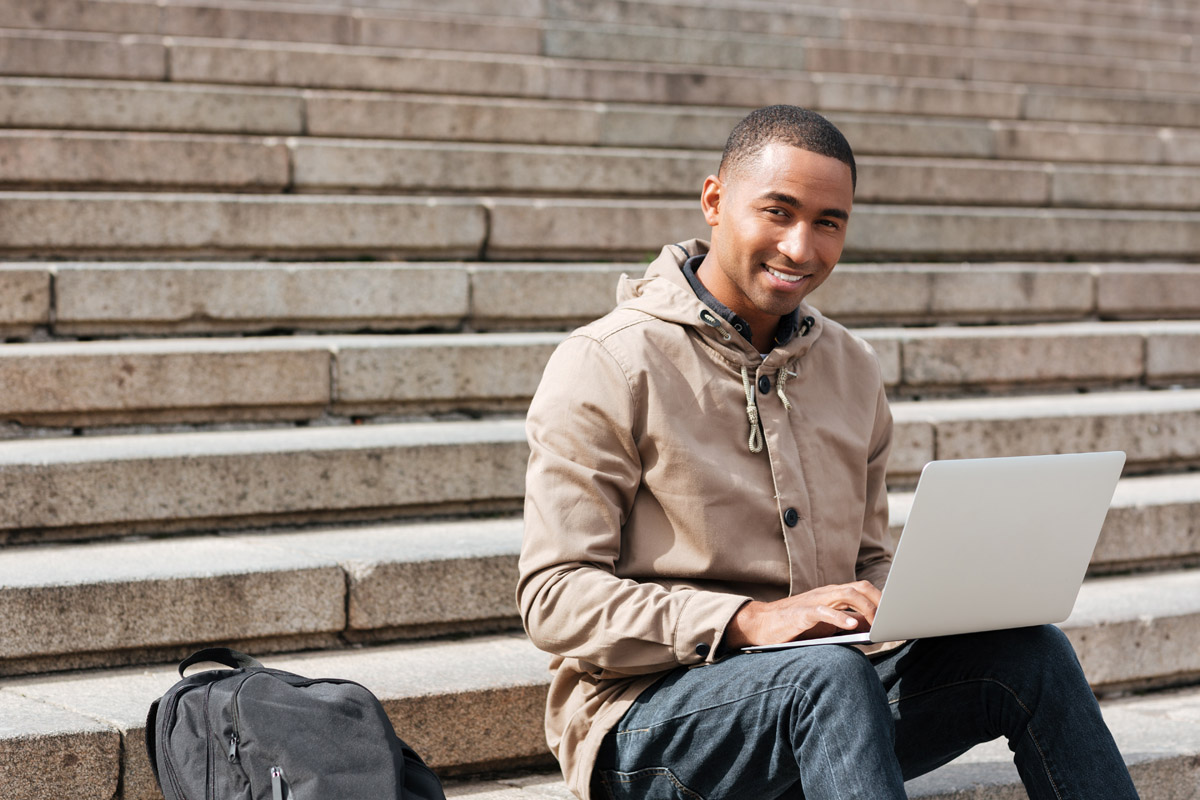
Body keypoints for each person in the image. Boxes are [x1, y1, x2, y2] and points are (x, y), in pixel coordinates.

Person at [517, 105, 1139, 800]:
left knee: (1031, 653)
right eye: (778, 212)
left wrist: (919, 599)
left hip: (828, 694)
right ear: (715, 201)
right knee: (828, 680)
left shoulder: (852, 367)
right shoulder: (606, 361)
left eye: (828, 222)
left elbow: (866, 558)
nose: (801, 248)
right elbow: (553, 597)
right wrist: (746, 621)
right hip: (647, 723)